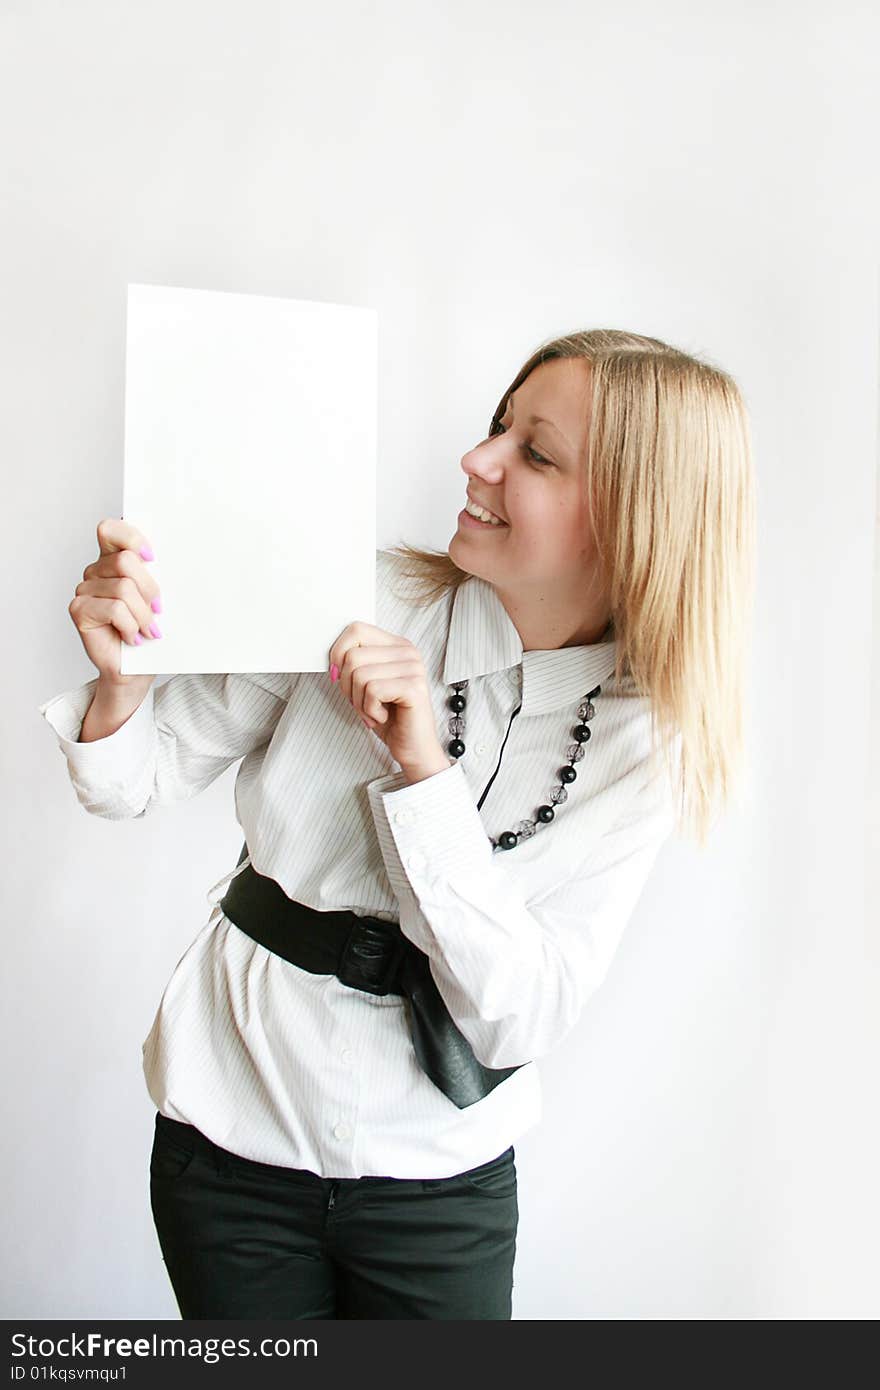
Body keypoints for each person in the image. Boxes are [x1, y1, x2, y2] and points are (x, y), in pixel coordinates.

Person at [38, 328, 757, 1319]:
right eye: (496, 427)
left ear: (639, 516)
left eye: (535, 453)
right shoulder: (352, 599)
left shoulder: (650, 743)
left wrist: (424, 771)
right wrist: (126, 681)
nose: (478, 460)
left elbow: (520, 1011)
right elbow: (131, 780)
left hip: (442, 1174)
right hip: (232, 1132)